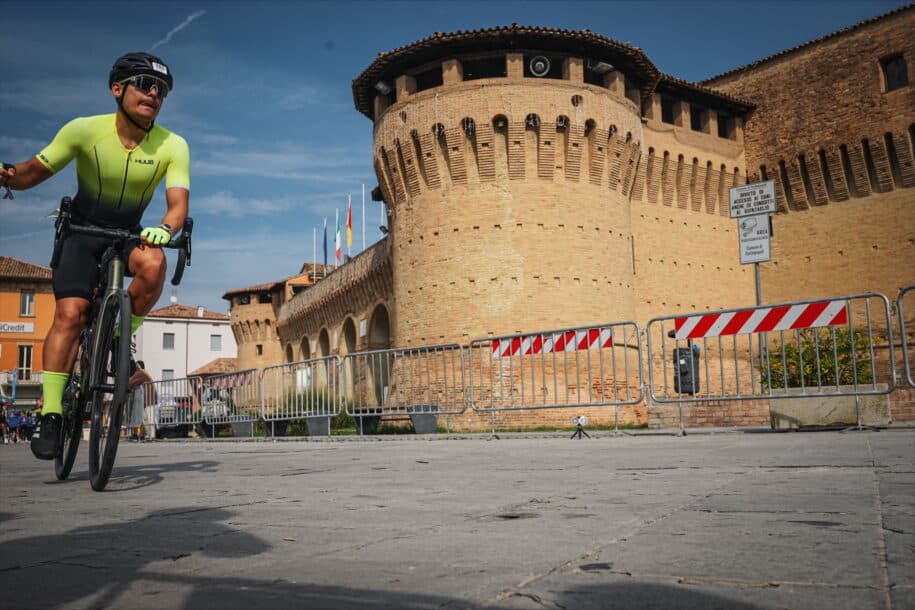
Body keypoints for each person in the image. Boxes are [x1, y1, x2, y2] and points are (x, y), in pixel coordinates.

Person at [0, 52, 190, 460]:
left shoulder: (173, 145)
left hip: (129, 233)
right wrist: (7, 173)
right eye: (144, 83)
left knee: (155, 262)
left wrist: (167, 228)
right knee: (70, 314)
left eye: (162, 89)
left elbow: (177, 204)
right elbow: (34, 170)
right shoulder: (84, 130)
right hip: (82, 232)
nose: (154, 94)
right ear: (117, 88)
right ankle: (50, 413)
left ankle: (121, 338)